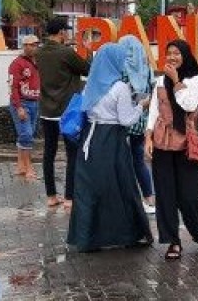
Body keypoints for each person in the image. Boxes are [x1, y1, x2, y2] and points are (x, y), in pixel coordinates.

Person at [66, 43, 152, 252]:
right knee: (121, 186)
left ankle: (86, 237)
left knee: (90, 189)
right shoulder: (119, 87)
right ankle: (129, 233)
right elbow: (126, 120)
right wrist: (141, 105)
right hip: (112, 141)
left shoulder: (91, 86)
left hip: (90, 140)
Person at [145, 39, 198, 261]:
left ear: (185, 55)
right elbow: (154, 110)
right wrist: (148, 137)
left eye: (177, 53)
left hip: (185, 142)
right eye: (169, 53)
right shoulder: (159, 81)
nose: (172, 57)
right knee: (165, 194)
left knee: (190, 195)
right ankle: (172, 241)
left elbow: (189, 105)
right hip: (162, 141)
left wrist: (176, 81)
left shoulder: (196, 80)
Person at [36, 16, 90, 209]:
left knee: (48, 153)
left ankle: (51, 196)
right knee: (72, 154)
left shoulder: (39, 53)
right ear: (61, 33)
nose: (67, 34)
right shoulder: (65, 52)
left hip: (46, 110)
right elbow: (87, 69)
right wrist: (87, 49)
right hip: (68, 111)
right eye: (66, 31)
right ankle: (69, 198)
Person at [118, 34, 157, 214]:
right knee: (139, 160)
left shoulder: (123, 68)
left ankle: (128, 199)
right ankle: (149, 198)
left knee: (123, 162)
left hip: (124, 120)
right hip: (141, 120)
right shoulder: (147, 68)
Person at [7, 35, 42, 180]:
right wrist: (19, 107)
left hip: (35, 102)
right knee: (27, 135)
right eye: (29, 45)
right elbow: (13, 87)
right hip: (22, 103)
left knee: (27, 134)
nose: (32, 47)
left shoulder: (39, 62)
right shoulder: (16, 64)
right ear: (24, 46)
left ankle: (20, 165)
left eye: (34, 44)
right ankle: (28, 167)